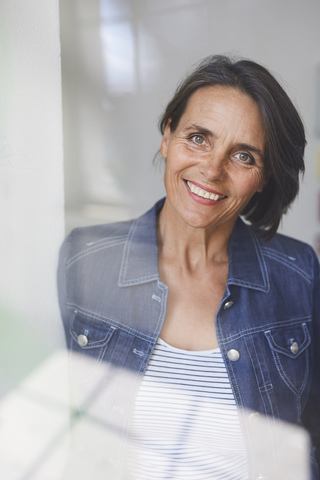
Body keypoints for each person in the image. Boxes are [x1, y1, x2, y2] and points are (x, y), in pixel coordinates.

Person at [58, 55, 320, 480]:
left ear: (265, 176)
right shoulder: (85, 259)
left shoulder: (298, 273)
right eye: (198, 138)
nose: (212, 170)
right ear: (168, 135)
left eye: (243, 156)